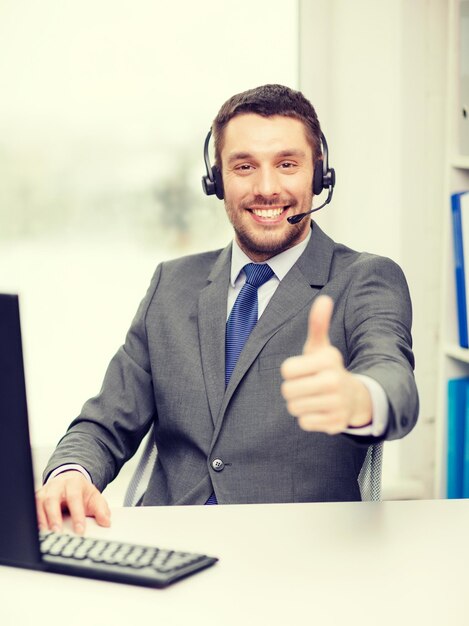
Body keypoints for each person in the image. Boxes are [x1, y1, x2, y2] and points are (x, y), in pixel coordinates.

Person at [36, 84, 419, 535]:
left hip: (298, 558)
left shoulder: (364, 279)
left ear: (319, 175)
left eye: (287, 164)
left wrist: (360, 397)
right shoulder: (171, 284)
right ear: (216, 180)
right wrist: (70, 474)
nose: (267, 188)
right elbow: (105, 422)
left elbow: (394, 380)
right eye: (244, 166)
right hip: (167, 548)